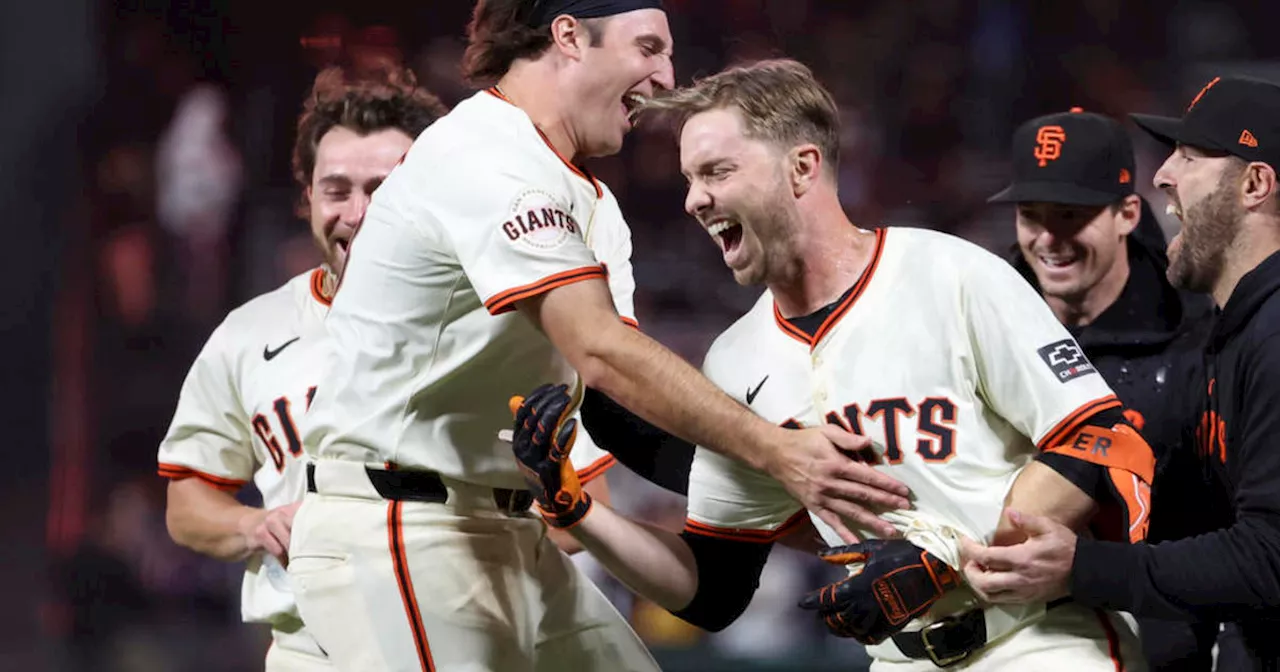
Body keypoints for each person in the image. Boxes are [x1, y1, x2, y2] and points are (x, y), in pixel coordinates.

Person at [287, 3, 909, 671]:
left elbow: (617, 410)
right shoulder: (484, 152)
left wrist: (796, 512)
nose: (665, 75)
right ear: (569, 35)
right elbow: (600, 349)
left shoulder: (591, 203)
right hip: (399, 524)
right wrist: (779, 451)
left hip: (506, 527)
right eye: (648, 47)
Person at [507, 58, 1157, 671]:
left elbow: (1093, 441)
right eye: (689, 178)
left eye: (717, 172)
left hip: (1041, 640)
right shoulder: (734, 361)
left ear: (802, 167)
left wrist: (948, 561)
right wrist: (577, 512)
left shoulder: (950, 273)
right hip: (902, 658)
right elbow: (709, 587)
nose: (694, 200)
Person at [961, 74, 1280, 669]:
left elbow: (1265, 552)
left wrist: (1082, 568)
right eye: (1032, 214)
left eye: (1187, 157)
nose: (1162, 173)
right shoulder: (974, 324)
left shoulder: (1217, 334)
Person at [156, 66, 447, 669]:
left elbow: (577, 508)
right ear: (308, 198)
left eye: (384, 189)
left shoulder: (494, 323)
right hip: (312, 648)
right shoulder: (250, 332)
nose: (359, 212)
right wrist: (254, 526)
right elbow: (187, 500)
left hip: (462, 638)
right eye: (337, 190)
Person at [989, 108, 1219, 670]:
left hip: (1157, 642)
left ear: (1125, 213)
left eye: (1071, 215)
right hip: (1001, 640)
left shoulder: (1195, 337)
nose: (1048, 239)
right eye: (1031, 215)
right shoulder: (981, 321)